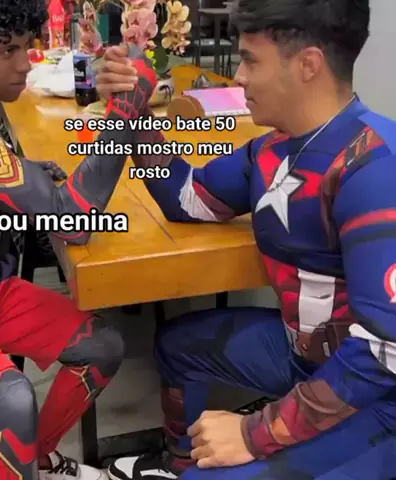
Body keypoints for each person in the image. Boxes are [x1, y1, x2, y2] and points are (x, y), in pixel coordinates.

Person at [95, 0, 396, 478]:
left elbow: (385, 351)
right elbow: (187, 198)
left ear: (308, 65)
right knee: (177, 347)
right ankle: (178, 464)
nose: (238, 77)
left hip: (378, 401)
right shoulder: (271, 148)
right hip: (303, 357)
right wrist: (134, 113)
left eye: (251, 61)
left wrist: (257, 431)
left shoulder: (377, 166)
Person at [0, 0, 156, 479]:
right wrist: (126, 112)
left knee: (102, 345)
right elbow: (75, 222)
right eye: (7, 51)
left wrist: (25, 174)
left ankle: (38, 460)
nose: (25, 64)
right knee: (11, 399)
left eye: (26, 46)